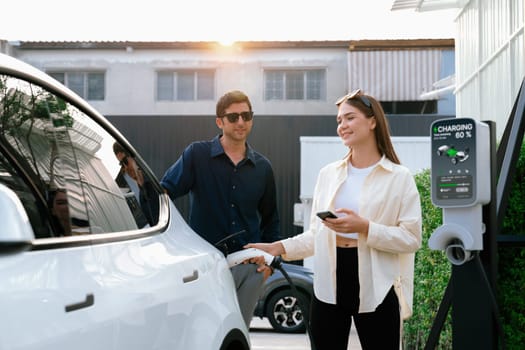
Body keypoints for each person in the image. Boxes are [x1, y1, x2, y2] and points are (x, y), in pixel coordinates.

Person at [246, 89, 422, 349]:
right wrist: (278, 248)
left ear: (372, 121)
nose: (342, 126)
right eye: (339, 120)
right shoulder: (328, 174)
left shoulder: (399, 177)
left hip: (377, 285)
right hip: (329, 283)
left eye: (349, 118)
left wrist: (365, 228)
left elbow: (411, 239)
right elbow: (317, 235)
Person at [160, 89, 280, 327]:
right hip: (205, 266)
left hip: (250, 267)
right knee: (203, 333)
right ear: (220, 121)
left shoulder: (263, 168)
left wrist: (270, 264)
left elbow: (271, 220)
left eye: (246, 115)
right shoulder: (197, 155)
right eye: (233, 117)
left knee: (237, 332)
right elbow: (163, 195)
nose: (241, 122)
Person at [113, 142, 159, 227]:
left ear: (133, 156)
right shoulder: (142, 193)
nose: (125, 168)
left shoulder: (155, 181)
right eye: (121, 164)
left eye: (125, 161)